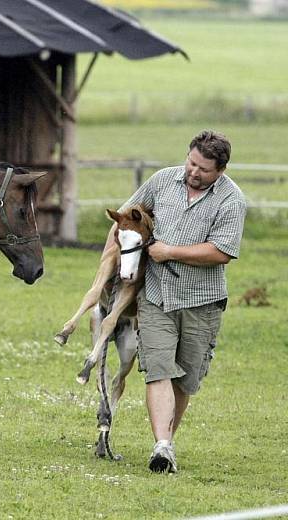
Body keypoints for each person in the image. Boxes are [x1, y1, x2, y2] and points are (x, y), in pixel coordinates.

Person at [105, 130, 246, 472]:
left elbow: (222, 252)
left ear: (221, 170)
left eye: (204, 169)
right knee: (157, 369)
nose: (194, 172)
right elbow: (127, 216)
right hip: (156, 296)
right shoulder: (162, 181)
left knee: (185, 379)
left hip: (203, 302)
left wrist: (169, 252)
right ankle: (162, 446)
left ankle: (166, 442)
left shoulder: (231, 200)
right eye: (191, 162)